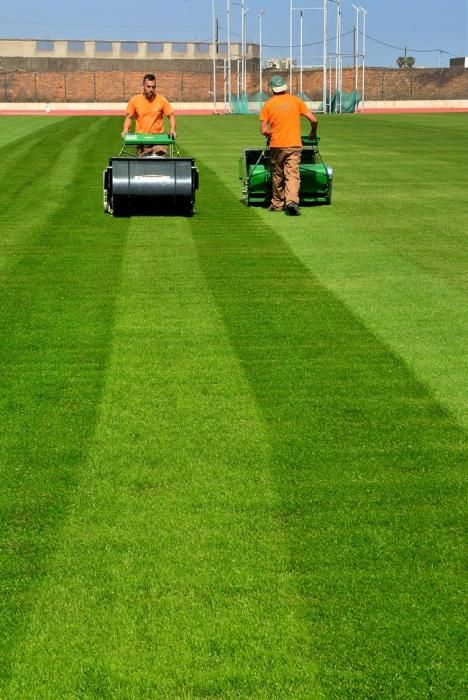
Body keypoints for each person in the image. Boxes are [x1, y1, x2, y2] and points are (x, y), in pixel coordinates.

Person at [260, 75, 318, 215]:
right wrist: (312, 132)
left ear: (273, 89)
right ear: (285, 87)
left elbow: (263, 130)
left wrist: (269, 132)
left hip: (277, 145)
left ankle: (277, 203)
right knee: (292, 174)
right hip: (294, 144)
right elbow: (314, 120)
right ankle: (291, 201)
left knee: (278, 174)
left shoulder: (268, 104)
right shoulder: (296, 101)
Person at [121, 73, 176, 156]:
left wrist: (172, 130)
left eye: (153, 87)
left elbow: (171, 116)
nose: (151, 89)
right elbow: (129, 117)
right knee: (143, 164)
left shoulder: (161, 100)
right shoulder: (134, 100)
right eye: (148, 87)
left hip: (158, 140)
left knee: (158, 159)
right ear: (143, 86)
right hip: (141, 140)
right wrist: (125, 129)